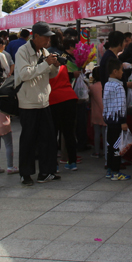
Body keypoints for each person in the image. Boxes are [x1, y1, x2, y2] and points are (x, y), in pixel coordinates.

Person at [15, 22, 61, 186]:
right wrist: (45, 63)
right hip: (28, 102)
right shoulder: (22, 52)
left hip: (43, 101)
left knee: (48, 138)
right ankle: (25, 174)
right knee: (28, 139)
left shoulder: (44, 51)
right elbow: (25, 74)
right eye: (46, 37)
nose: (48, 40)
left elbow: (50, 74)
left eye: (50, 37)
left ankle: (46, 171)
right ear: (35, 36)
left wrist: (55, 66)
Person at [48, 32, 79, 172]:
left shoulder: (48, 69)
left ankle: (54, 164)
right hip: (70, 98)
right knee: (69, 133)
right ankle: (72, 162)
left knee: (53, 133)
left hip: (54, 100)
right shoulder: (65, 65)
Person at [102, 58, 130, 181]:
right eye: (121, 70)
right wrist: (123, 121)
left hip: (109, 119)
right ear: (114, 71)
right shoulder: (119, 87)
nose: (122, 73)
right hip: (117, 121)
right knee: (117, 147)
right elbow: (121, 105)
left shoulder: (107, 85)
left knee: (110, 146)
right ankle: (116, 171)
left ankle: (109, 169)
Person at [88, 67, 106, 160]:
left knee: (97, 133)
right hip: (105, 113)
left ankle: (97, 151)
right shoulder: (105, 85)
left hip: (95, 113)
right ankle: (106, 152)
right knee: (105, 133)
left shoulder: (92, 87)